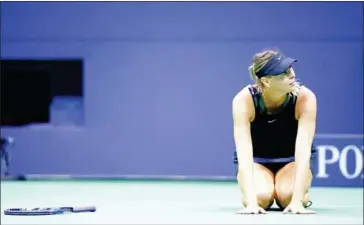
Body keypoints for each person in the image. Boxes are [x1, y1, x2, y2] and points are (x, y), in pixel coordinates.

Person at [232, 49, 317, 214]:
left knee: (288, 198)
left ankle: (296, 194)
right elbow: (244, 153)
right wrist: (251, 203)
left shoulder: (305, 98)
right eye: (283, 73)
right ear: (266, 81)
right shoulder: (244, 100)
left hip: (291, 160)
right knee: (260, 198)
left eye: (291, 68)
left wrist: (298, 202)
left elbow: (303, 151)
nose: (292, 74)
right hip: (257, 161)